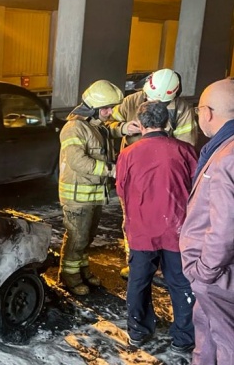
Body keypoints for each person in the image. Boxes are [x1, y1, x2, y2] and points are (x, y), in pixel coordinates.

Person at [115, 101, 196, 352]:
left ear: (139, 125)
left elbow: (120, 190)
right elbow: (198, 189)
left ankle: (138, 332)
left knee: (138, 281)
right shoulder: (186, 150)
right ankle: (184, 338)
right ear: (168, 122)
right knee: (181, 283)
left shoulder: (128, 154)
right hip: (177, 229)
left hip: (141, 231)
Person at [108, 68, 198, 279]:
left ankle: (167, 265)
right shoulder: (132, 101)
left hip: (165, 177)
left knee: (168, 220)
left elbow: (187, 148)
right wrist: (122, 128)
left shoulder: (182, 109)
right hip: (135, 173)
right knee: (132, 220)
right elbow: (106, 123)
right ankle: (136, 265)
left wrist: (160, 136)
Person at [180, 78, 234, 364]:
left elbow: (225, 227)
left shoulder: (227, 157)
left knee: (227, 343)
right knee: (207, 334)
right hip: (216, 278)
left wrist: (205, 271)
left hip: (219, 278)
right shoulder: (224, 148)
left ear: (208, 113)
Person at [57, 80, 123, 295]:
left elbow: (106, 133)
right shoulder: (74, 128)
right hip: (77, 197)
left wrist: (124, 128)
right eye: (106, 108)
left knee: (87, 237)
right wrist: (111, 170)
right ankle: (69, 277)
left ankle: (82, 269)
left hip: (92, 195)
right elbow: (79, 162)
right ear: (93, 108)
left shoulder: (95, 125)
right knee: (77, 238)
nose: (110, 112)